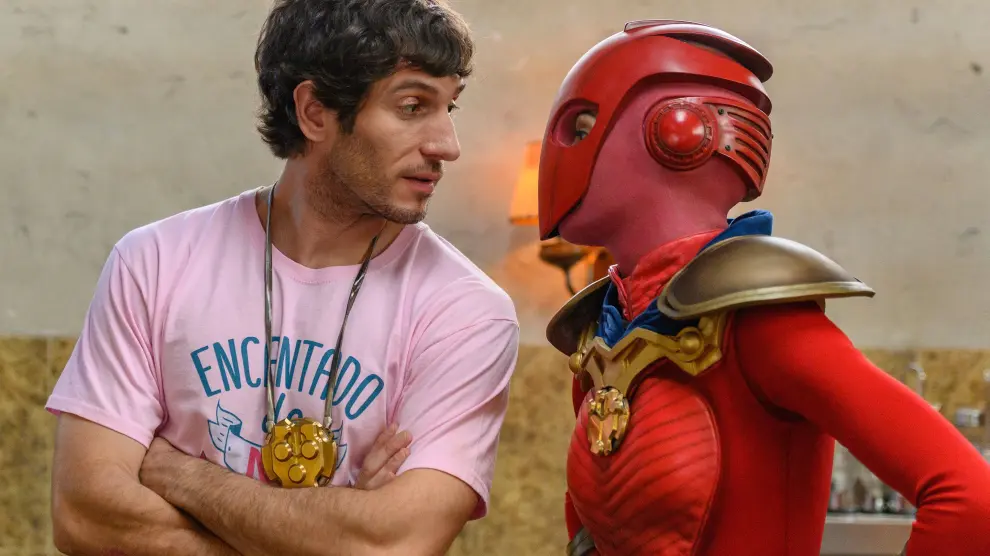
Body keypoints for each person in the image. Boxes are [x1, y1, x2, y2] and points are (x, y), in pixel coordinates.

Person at [46, 1, 519, 555]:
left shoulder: (466, 312)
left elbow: (394, 543)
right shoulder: (154, 261)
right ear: (314, 112)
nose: (447, 145)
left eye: (449, 107)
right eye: (413, 106)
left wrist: (182, 476)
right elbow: (84, 516)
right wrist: (330, 529)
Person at [537, 19, 990, 556]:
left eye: (584, 125)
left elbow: (972, 500)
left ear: (680, 131)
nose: (559, 151)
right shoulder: (603, 334)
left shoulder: (758, 323)